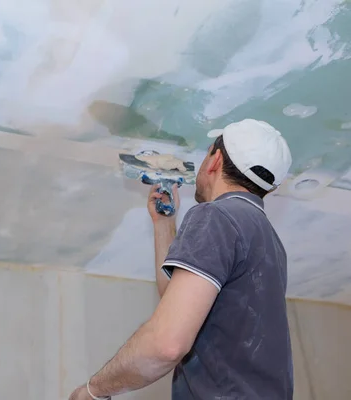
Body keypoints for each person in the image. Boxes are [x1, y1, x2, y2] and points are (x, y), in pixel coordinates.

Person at [69, 119, 294, 399]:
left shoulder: (218, 216)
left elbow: (166, 345)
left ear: (215, 159)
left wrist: (93, 391)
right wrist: (165, 225)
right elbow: (181, 304)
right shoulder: (271, 242)